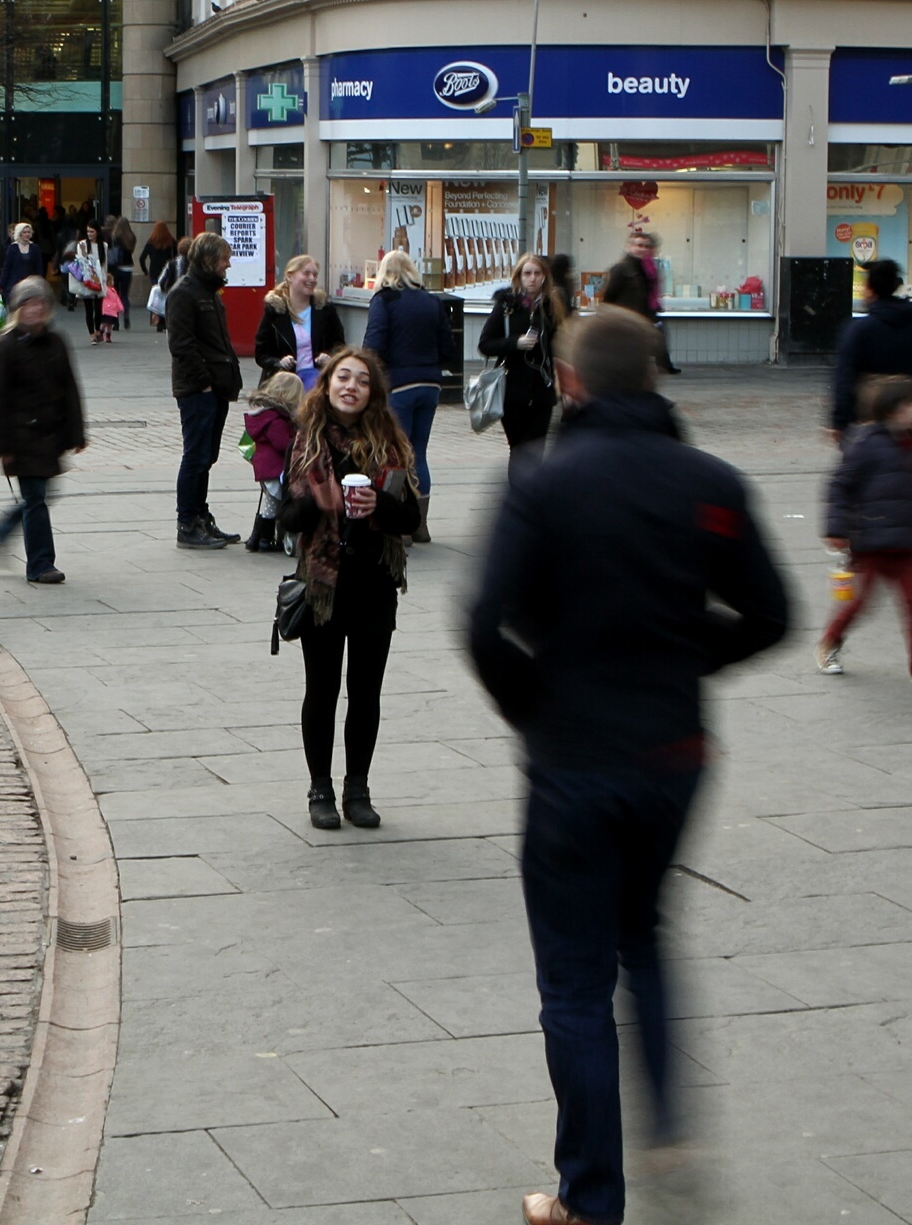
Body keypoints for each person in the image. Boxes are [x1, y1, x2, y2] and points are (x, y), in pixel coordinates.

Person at [463, 308, 788, 1225]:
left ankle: (587, 1199)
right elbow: (771, 613)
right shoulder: (708, 481)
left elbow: (483, 624)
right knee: (643, 933)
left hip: (573, 759)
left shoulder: (544, 483)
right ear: (655, 378)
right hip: (674, 753)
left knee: (571, 980)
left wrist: (536, 701)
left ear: (569, 382)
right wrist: (690, 656)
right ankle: (670, 1125)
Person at [279, 347, 420, 832]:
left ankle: (357, 788)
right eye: (343, 377)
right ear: (328, 384)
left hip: (374, 583)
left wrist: (378, 502)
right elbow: (288, 518)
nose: (351, 386)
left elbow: (412, 520)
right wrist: (319, 503)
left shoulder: (391, 444)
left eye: (361, 380)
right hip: (323, 584)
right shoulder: (307, 442)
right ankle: (320, 789)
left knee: (366, 692)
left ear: (372, 392)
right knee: (321, 690)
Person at [817, 376, 912, 685]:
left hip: (904, 545)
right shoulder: (866, 443)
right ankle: (829, 643)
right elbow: (840, 485)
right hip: (871, 542)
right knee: (858, 603)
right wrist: (837, 528)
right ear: (893, 411)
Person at [829, 259, 912, 578]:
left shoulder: (859, 330)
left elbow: (843, 378)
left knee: (861, 485)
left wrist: (839, 422)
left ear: (869, 290)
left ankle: (863, 555)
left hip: (867, 421)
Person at [0, 277, 85, 585]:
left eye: (40, 303)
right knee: (36, 499)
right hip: (22, 435)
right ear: (17, 309)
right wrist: (3, 445)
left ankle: (3, 528)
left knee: (41, 496)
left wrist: (76, 433)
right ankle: (41, 564)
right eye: (27, 304)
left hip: (50, 434)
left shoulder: (56, 341)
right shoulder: (8, 345)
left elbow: (70, 388)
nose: (34, 309)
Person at [362, 249, 451, 540]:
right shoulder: (432, 301)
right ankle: (421, 525)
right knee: (419, 453)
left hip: (398, 385)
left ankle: (400, 526)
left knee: (396, 454)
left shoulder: (384, 300)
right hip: (430, 385)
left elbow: (373, 345)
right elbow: (448, 348)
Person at [166, 231, 243, 550]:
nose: (228, 264)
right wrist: (204, 382)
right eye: (224, 258)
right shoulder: (184, 293)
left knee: (206, 456)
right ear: (209, 260)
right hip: (199, 390)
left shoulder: (210, 292)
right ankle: (187, 522)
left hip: (217, 388)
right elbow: (181, 345)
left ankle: (200, 515)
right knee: (196, 456)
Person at [479, 253, 565, 469]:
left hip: (542, 391)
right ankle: (519, 496)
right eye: (527, 273)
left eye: (537, 273)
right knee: (519, 448)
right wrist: (515, 343)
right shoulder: (507, 306)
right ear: (518, 277)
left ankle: (533, 498)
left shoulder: (551, 306)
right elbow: (485, 344)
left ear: (545, 277)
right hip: (512, 390)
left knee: (537, 450)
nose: (532, 279)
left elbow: (562, 345)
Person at [599, 229, 678, 374]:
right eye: (639, 245)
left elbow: (648, 295)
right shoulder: (621, 269)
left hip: (640, 322)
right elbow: (608, 297)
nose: (643, 249)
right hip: (623, 323)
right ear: (630, 246)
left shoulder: (645, 269)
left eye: (646, 246)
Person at [241, 370, 302, 555]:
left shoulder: (267, 416)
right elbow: (284, 444)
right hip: (274, 468)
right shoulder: (275, 420)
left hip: (267, 467)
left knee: (270, 501)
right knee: (273, 502)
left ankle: (261, 537)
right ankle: (265, 538)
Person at [255, 255, 332, 389]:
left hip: (317, 382)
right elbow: (262, 353)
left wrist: (329, 356)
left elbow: (339, 345)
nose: (312, 279)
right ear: (289, 276)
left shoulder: (325, 310)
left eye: (315, 275)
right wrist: (279, 362)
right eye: (306, 274)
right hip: (284, 384)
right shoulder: (275, 311)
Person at [65, 222, 111, 341]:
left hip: (99, 278)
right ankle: (92, 334)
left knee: (99, 308)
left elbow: (104, 264)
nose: (89, 234)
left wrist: (105, 279)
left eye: (92, 231)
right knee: (89, 309)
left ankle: (97, 330)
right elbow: (82, 262)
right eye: (88, 231)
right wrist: (84, 252)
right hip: (87, 279)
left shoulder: (104, 246)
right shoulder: (82, 244)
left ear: (97, 232)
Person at [140, 222, 176, 330]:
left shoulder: (151, 243)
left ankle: (156, 320)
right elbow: (176, 256)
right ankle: (165, 321)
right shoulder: (171, 242)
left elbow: (142, 258)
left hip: (154, 272)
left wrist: (145, 271)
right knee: (167, 296)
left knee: (156, 296)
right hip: (168, 272)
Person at [0, 220, 44, 304]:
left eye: (28, 232)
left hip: (30, 285)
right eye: (24, 232)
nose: (27, 234)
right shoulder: (12, 248)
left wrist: (39, 283)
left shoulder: (35, 248)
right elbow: (7, 267)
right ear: (19, 233)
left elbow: (39, 267)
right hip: (14, 285)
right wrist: (1, 284)